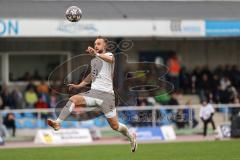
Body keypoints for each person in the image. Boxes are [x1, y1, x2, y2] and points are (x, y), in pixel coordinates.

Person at [47, 36, 137, 152]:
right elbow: (91, 76)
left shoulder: (109, 55)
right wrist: (79, 85)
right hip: (93, 93)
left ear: (105, 46)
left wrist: (96, 53)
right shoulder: (94, 60)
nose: (96, 45)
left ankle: (131, 137)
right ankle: (57, 123)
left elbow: (110, 60)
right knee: (73, 99)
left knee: (115, 126)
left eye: (99, 44)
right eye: (95, 44)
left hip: (107, 97)